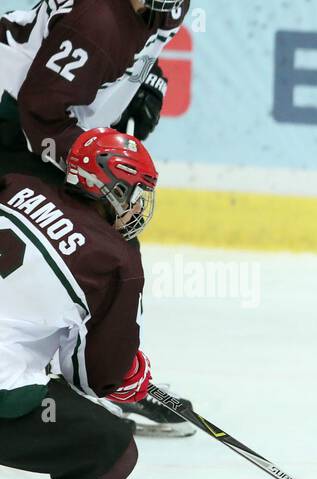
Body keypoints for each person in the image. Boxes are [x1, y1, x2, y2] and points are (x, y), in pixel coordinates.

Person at [0, 0, 192, 436]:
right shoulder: (97, 19)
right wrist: (95, 166)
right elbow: (41, 111)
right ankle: (107, 378)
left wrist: (147, 78)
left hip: (43, 115)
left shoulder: (171, 5)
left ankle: (98, 370)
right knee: (90, 245)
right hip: (15, 119)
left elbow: (138, 48)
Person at [0, 127, 160, 479]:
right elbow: (96, 377)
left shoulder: (17, 184)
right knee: (112, 448)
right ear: (109, 187)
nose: (137, 207)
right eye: (134, 193)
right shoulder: (116, 259)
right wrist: (126, 373)